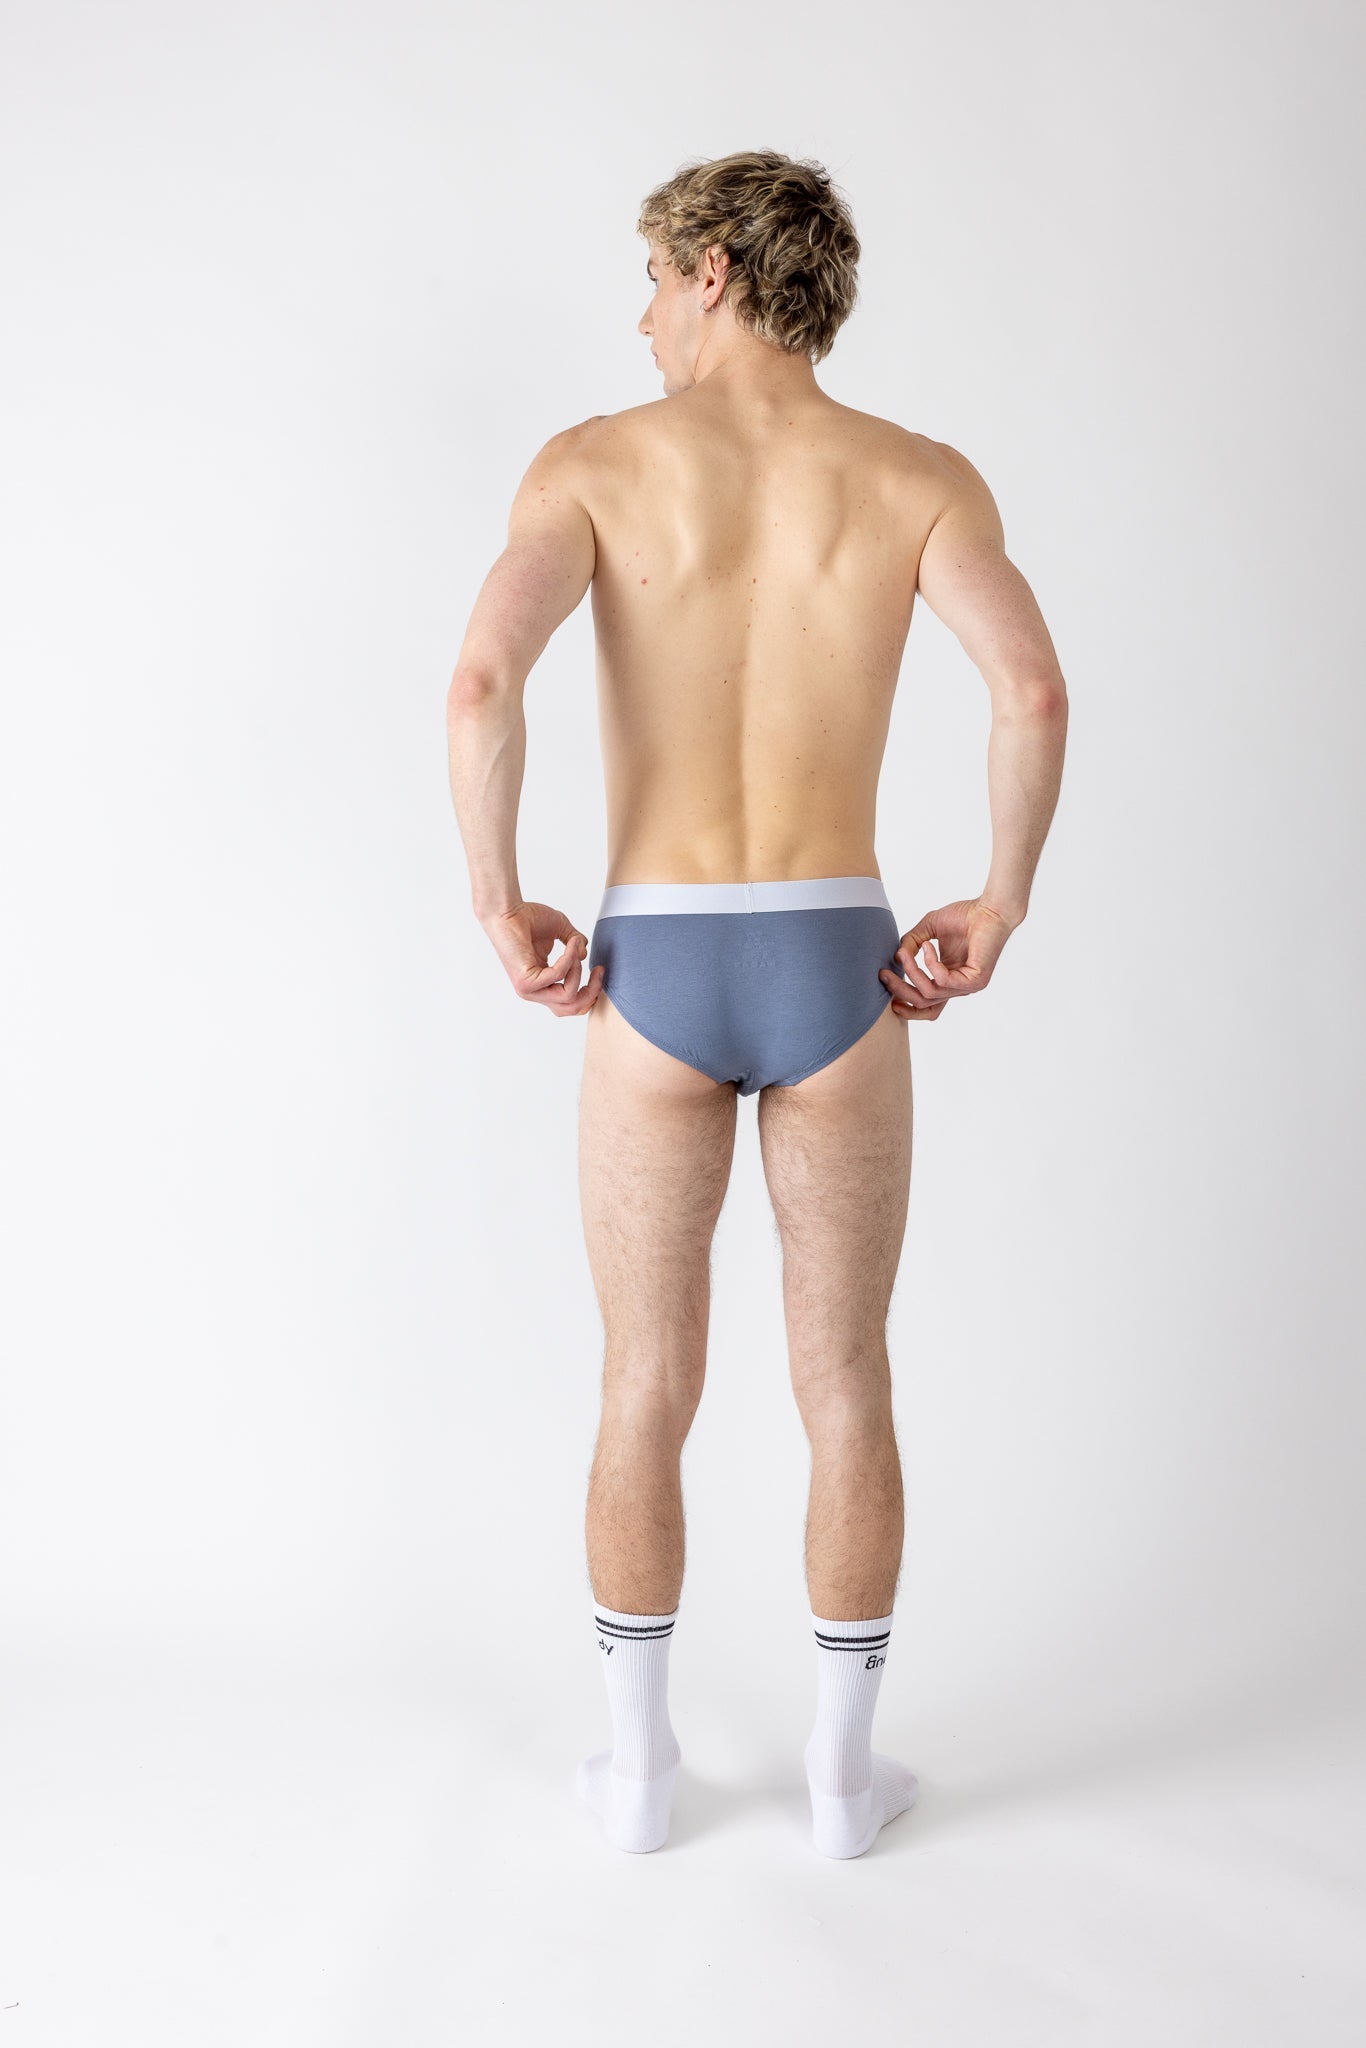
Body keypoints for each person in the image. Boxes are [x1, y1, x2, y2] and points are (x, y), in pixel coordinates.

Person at [445, 148, 1069, 1857]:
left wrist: (499, 900)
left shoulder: (590, 465)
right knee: (844, 1379)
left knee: (642, 1380)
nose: (643, 315)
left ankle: (639, 1777)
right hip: (832, 958)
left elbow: (483, 679)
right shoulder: (916, 476)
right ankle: (842, 1786)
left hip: (652, 960)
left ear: (714, 270)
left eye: (655, 278)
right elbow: (1027, 688)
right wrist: (998, 900)